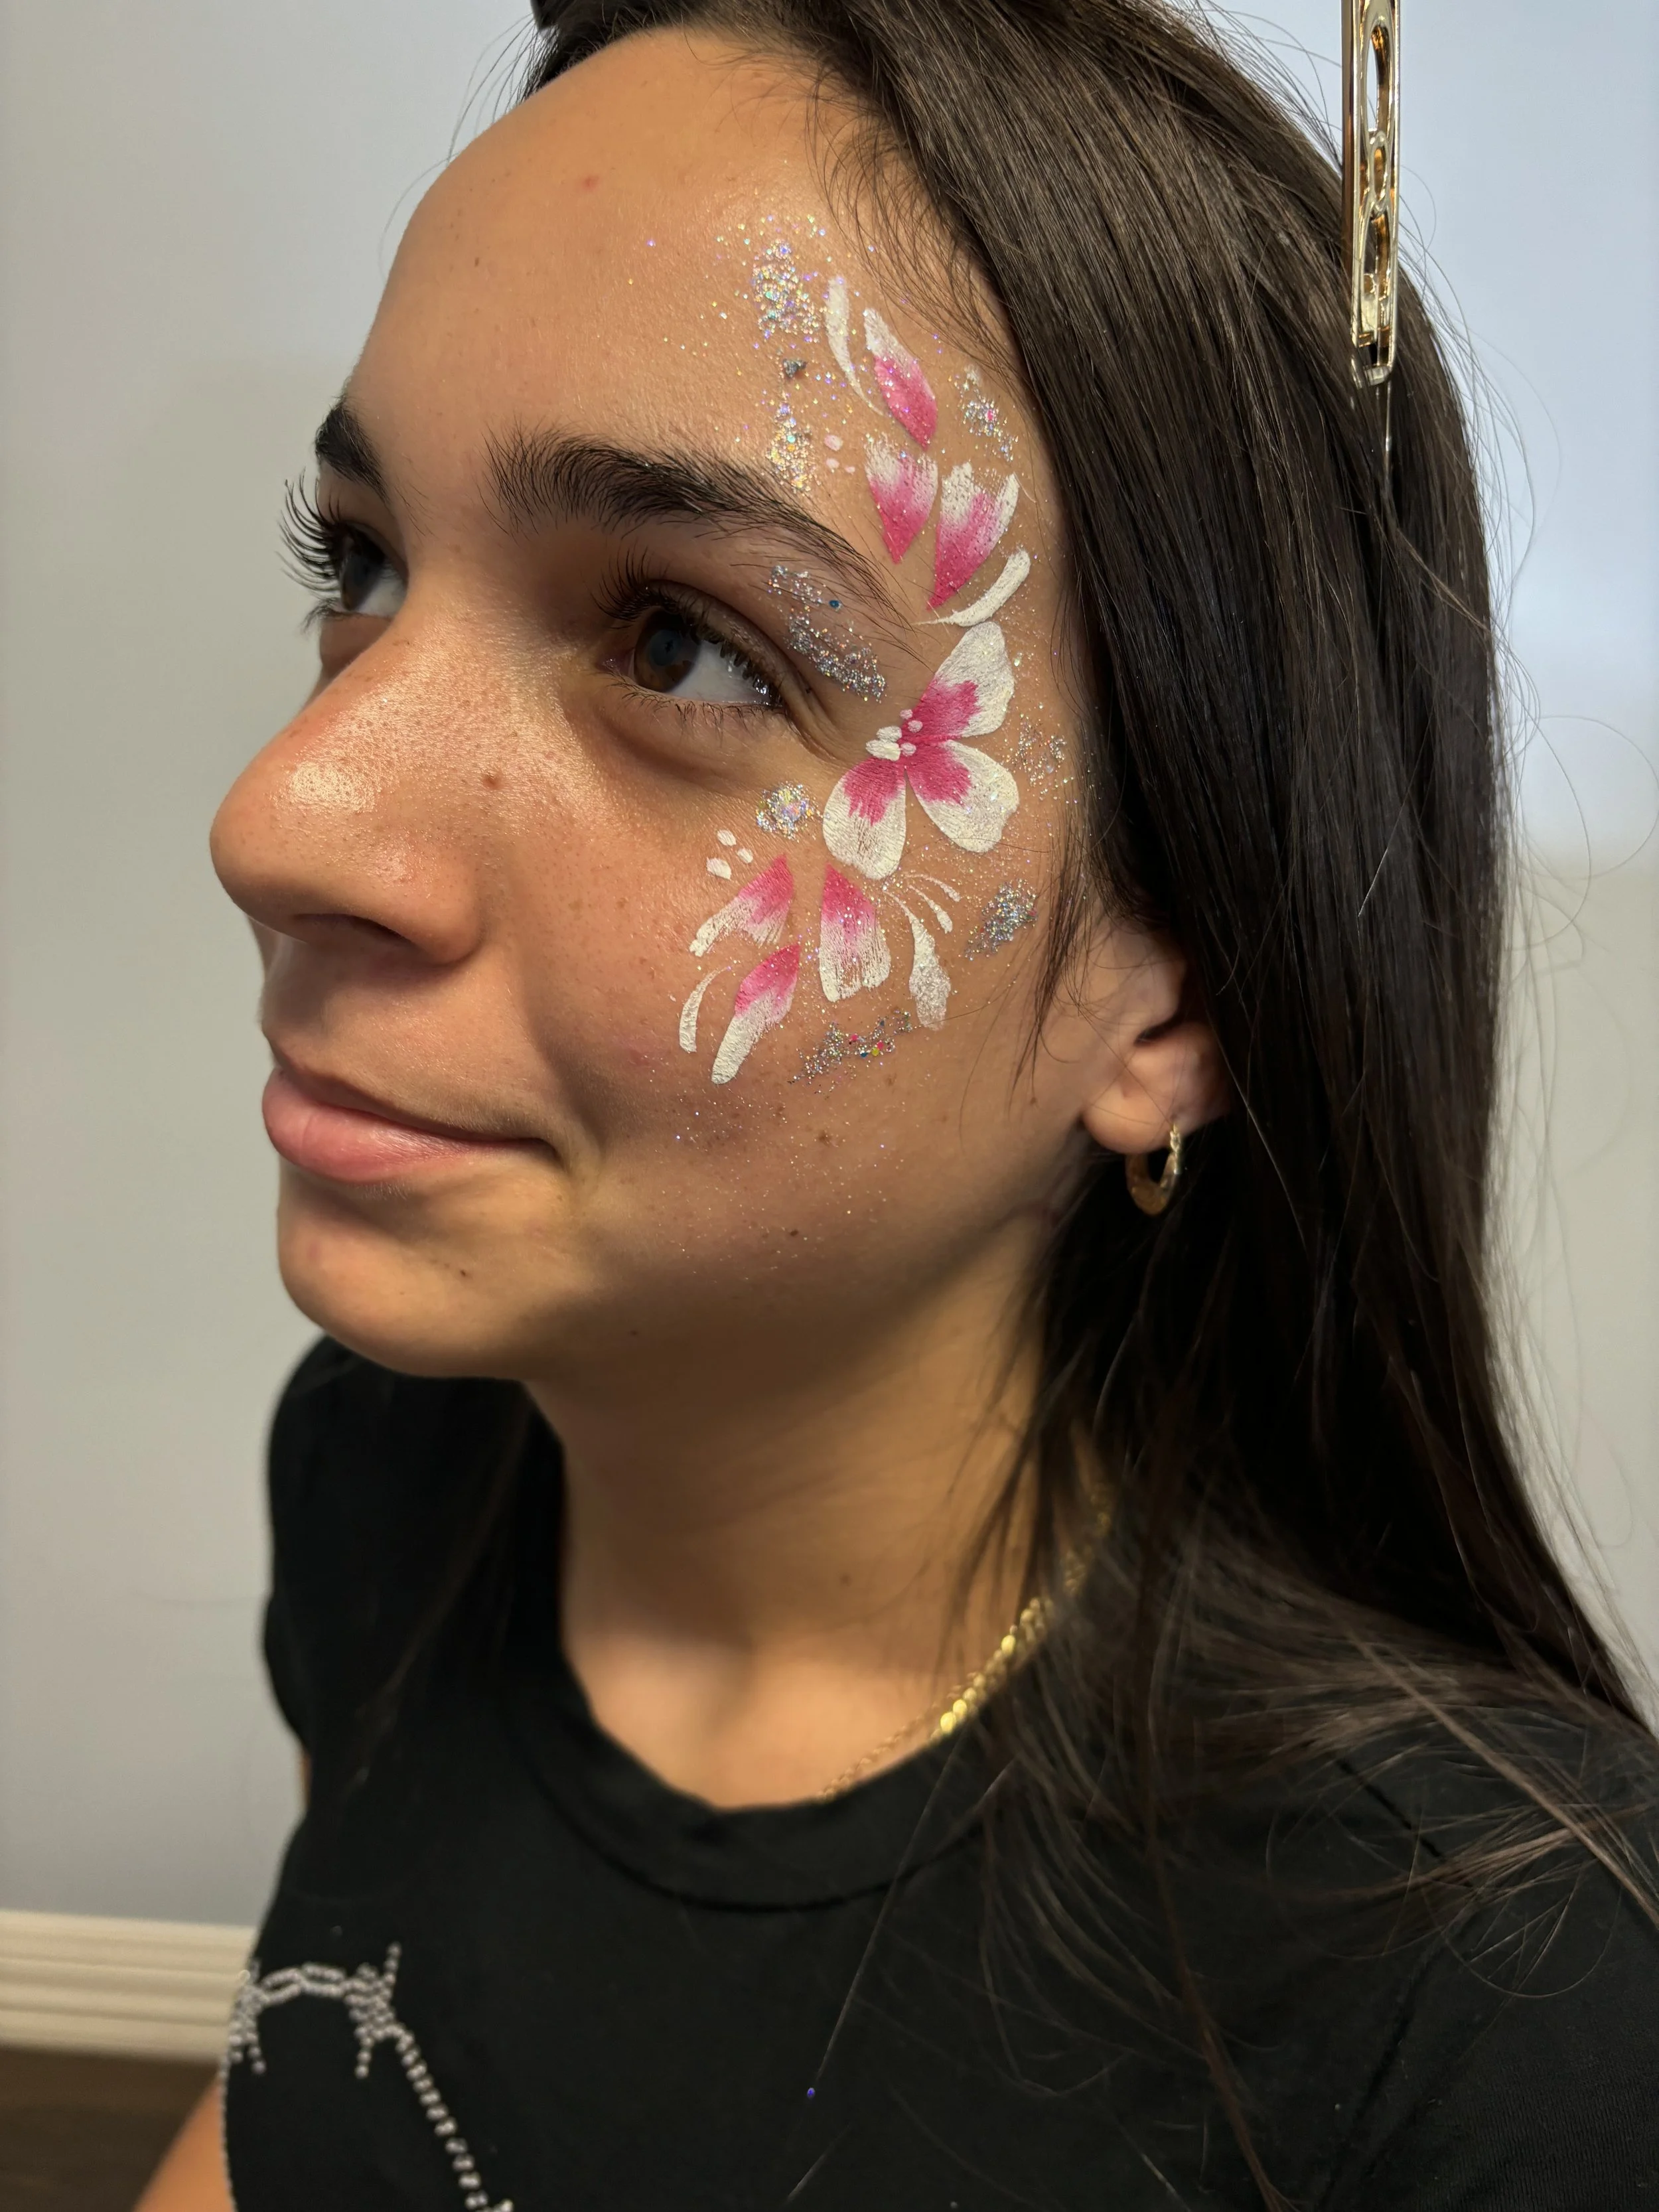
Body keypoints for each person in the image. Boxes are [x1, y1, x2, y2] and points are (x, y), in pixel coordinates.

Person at [139, 3, 1659, 2206]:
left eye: (680, 643)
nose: (286, 811)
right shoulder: (391, 1472)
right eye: (359, 565)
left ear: (1183, 983)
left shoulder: (1501, 2019)